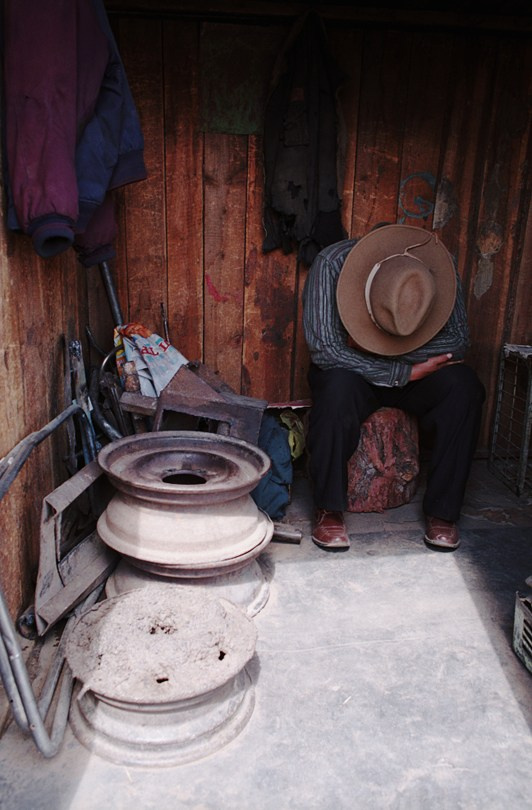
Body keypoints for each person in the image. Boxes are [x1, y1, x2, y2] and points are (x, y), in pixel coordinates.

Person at [302, 223, 485, 552]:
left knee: (464, 387)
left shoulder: (435, 268)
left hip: (411, 369)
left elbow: (458, 340)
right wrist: (401, 371)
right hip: (353, 374)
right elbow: (325, 349)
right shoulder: (331, 263)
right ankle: (328, 509)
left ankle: (443, 513)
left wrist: (397, 362)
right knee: (335, 392)